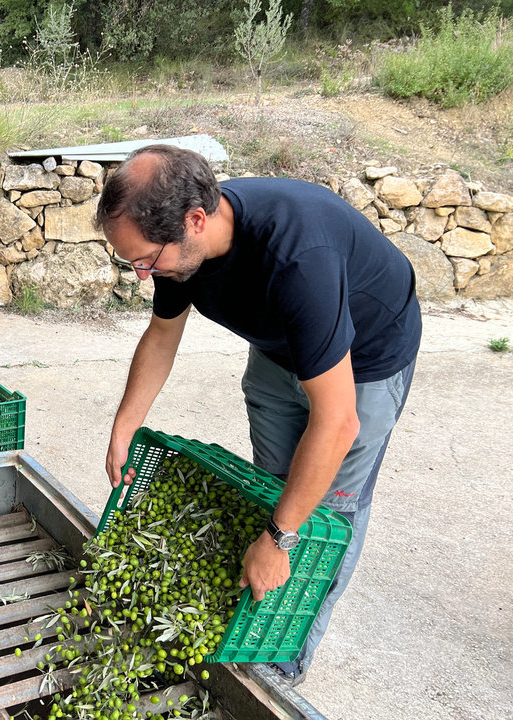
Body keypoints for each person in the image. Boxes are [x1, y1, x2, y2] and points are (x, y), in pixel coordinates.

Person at [97, 145, 421, 685]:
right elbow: (161, 335)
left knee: (322, 515)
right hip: (278, 353)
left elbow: (339, 421)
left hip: (364, 363)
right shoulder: (184, 253)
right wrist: (125, 423)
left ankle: (280, 666)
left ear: (195, 220)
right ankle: (251, 609)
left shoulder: (297, 258)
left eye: (145, 261)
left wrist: (281, 537)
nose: (140, 276)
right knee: (271, 488)